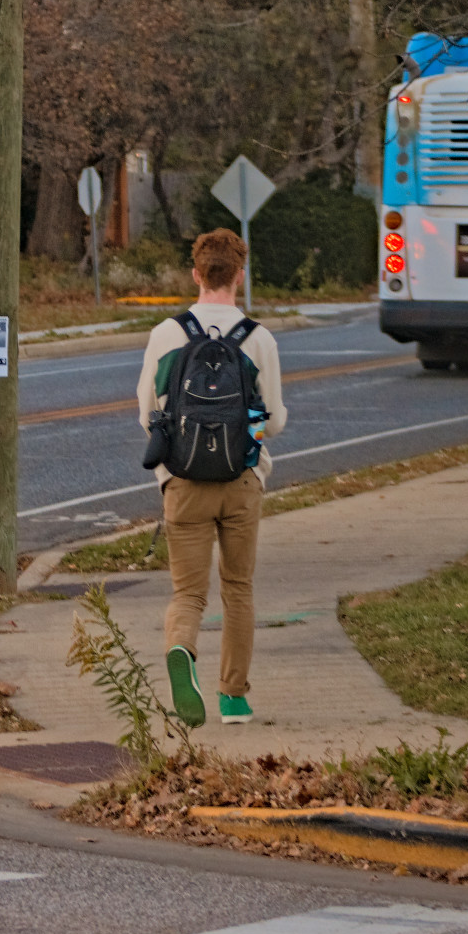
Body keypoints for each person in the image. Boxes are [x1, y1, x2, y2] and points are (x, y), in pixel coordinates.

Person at [135, 228, 286, 727]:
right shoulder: (258, 339)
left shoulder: (166, 335)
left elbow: (147, 413)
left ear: (196, 275)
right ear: (238, 276)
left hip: (183, 483)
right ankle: (234, 697)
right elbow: (275, 420)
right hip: (242, 481)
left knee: (189, 593)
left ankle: (181, 649)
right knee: (237, 588)